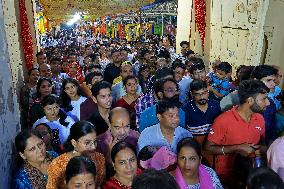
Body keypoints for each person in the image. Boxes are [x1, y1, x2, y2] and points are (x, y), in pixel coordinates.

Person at [204, 79, 270, 187]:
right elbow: (208, 148)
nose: (268, 102)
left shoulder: (260, 118)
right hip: (226, 179)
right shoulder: (223, 120)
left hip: (251, 177)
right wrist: (236, 148)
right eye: (264, 99)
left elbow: (262, 144)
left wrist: (263, 149)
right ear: (250, 101)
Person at [46, 121, 106, 189]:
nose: (93, 147)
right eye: (87, 143)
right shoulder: (57, 165)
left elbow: (99, 185)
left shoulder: (99, 158)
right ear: (74, 142)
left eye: (95, 141)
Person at [97, 107, 139, 175]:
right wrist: (109, 153)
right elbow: (100, 173)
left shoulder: (136, 137)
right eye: (117, 127)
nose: (122, 132)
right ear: (109, 124)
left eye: (127, 126)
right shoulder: (100, 141)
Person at [182, 80, 221, 146]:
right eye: (198, 94)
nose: (202, 97)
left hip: (213, 146)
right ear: (191, 94)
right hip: (195, 147)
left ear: (208, 91)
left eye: (204, 93)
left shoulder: (215, 105)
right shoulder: (186, 110)